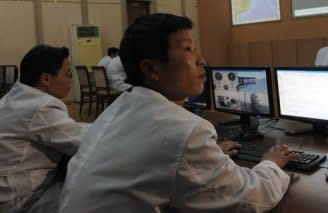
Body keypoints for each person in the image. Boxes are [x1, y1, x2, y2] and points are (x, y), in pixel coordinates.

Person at [59, 13, 293, 212]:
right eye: (188, 50)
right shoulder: (185, 129)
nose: (201, 60)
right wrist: (270, 163)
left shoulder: (116, 111)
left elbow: (158, 156)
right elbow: (248, 198)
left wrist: (201, 158)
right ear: (151, 69)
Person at [0, 45, 88, 213]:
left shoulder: (18, 95)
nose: (71, 80)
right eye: (68, 75)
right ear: (46, 79)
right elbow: (83, 144)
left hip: (6, 187)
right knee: (91, 193)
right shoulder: (42, 106)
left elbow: (67, 129)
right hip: (20, 198)